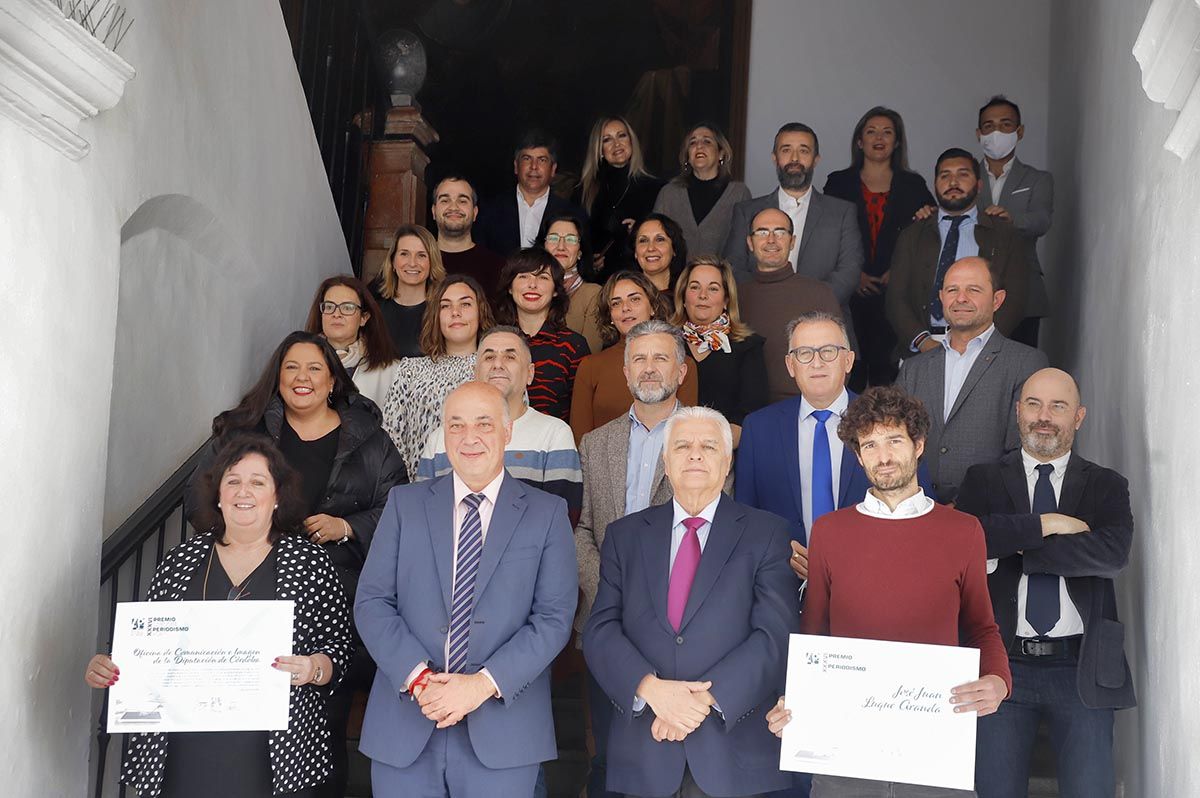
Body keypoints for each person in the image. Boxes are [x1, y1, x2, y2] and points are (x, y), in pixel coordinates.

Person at [184, 331, 406, 798]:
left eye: (314, 369)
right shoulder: (246, 432)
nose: (301, 378)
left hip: (336, 599)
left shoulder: (371, 440)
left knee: (321, 728)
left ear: (332, 382)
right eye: (291, 368)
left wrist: (347, 527)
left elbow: (400, 510)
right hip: (248, 597)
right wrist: (252, 537)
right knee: (243, 732)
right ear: (277, 378)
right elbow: (198, 498)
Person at [766, 386, 1012, 798]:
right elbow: (813, 634)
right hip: (843, 751)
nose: (883, 456)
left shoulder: (963, 530)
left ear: (918, 445)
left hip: (934, 749)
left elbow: (981, 626)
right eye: (870, 445)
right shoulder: (830, 531)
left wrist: (1000, 681)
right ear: (858, 456)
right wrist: (792, 697)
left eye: (894, 441)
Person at [88, 433, 353, 798]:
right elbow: (145, 646)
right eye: (233, 482)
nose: (244, 492)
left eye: (257, 483)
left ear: (277, 496)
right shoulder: (181, 561)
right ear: (218, 494)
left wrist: (314, 668)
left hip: (276, 753)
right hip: (185, 747)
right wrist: (112, 666)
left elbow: (340, 648)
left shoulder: (309, 563)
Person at [355, 382, 578, 798]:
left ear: (508, 431)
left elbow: (553, 619)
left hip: (502, 728)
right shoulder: (405, 504)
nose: (469, 437)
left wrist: (479, 686)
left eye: (483, 423)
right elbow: (372, 602)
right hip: (408, 720)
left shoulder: (546, 513)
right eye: (456, 425)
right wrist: (420, 680)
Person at [583, 405, 800, 798]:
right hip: (645, 752)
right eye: (682, 446)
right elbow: (601, 630)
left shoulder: (767, 533)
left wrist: (701, 701)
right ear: (666, 463)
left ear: (728, 462)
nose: (695, 454)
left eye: (708, 446)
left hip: (734, 754)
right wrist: (651, 689)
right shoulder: (625, 536)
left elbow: (774, 636)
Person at [956, 368, 1134, 798]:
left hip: (1080, 665)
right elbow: (970, 541)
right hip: (1001, 664)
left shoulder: (1106, 485)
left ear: (1079, 416)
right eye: (1034, 404)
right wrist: (1049, 525)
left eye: (1059, 406)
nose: (1044, 416)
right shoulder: (983, 480)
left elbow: (1111, 554)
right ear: (1018, 412)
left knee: (1090, 791)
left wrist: (1021, 548)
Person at [573, 321, 690, 798]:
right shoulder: (595, 443)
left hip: (680, 626)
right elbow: (581, 530)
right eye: (639, 359)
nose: (649, 368)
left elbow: (714, 532)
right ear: (624, 371)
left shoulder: (705, 437)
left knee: (672, 756)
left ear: (681, 371)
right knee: (606, 754)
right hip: (605, 623)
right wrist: (615, 595)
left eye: (661, 358)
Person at [896, 257, 1047, 503]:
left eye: (973, 290)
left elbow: (1024, 450)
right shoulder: (914, 369)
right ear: (942, 298)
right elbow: (894, 440)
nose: (961, 298)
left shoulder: (1026, 363)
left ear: (997, 300)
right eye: (952, 290)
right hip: (916, 512)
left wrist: (968, 505)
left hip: (987, 517)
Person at [417, 325, 583, 523]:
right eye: (488, 357)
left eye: (510, 357)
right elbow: (424, 516)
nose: (497, 364)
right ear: (475, 372)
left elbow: (561, 522)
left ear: (530, 373)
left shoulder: (554, 435)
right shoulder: (440, 439)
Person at [823, 107, 934, 389]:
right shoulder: (838, 182)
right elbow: (827, 235)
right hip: (850, 296)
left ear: (897, 142)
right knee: (850, 374)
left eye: (887, 132)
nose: (879, 138)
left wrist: (898, 272)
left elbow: (929, 234)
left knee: (890, 380)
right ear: (859, 141)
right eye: (871, 132)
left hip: (897, 294)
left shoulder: (913, 184)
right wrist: (853, 275)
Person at [886, 148, 1029, 361]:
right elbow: (896, 298)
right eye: (945, 176)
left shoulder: (1003, 234)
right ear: (935, 184)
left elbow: (1015, 297)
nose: (953, 182)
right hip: (922, 349)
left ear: (979, 185)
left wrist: (981, 342)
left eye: (963, 174)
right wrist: (923, 342)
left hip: (985, 351)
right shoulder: (913, 233)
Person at [723, 122, 863, 314]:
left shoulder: (842, 212)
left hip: (825, 323)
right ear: (775, 158)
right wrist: (773, 303)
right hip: (760, 319)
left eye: (804, 151)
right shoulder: (746, 211)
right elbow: (733, 267)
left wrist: (805, 308)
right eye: (786, 150)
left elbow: (849, 272)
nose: (795, 158)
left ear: (816, 159)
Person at [380, 274, 496, 479]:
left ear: (481, 312)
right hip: (420, 492)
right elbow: (392, 438)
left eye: (466, 304)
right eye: (445, 306)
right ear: (436, 315)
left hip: (484, 490)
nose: (456, 312)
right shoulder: (410, 370)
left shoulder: (497, 369)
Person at [569, 271, 699, 444]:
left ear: (653, 307)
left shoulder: (682, 364)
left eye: (635, 299)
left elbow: (686, 436)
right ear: (610, 316)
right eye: (616, 303)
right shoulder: (590, 366)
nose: (625, 308)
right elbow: (580, 441)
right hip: (602, 467)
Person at [735, 207, 843, 402]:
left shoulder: (820, 293)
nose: (771, 240)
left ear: (792, 241)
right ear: (750, 243)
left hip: (804, 409)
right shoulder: (736, 296)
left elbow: (839, 362)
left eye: (780, 232)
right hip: (746, 413)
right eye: (762, 232)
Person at [975, 95, 1054, 348]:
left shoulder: (1037, 178)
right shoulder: (963, 178)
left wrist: (1013, 219)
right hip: (974, 287)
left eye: (1005, 125)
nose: (996, 132)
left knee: (1023, 370)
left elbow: (1042, 221)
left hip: (1025, 290)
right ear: (978, 134)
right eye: (989, 126)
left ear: (1019, 132)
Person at [669, 255, 767, 444]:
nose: (702, 295)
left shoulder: (748, 346)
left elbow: (749, 415)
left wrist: (706, 450)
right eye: (695, 287)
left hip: (725, 453)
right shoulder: (667, 343)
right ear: (682, 297)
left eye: (713, 288)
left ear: (726, 300)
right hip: (669, 451)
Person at [493, 248, 590, 421]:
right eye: (523, 276)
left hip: (552, 444)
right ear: (509, 286)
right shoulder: (492, 341)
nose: (532, 284)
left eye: (543, 277)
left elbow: (580, 412)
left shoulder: (573, 345)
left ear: (555, 290)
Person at [476, 129, 588, 258]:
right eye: (527, 158)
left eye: (542, 160)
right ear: (516, 166)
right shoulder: (490, 210)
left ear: (553, 169)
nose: (534, 166)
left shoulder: (573, 214)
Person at [577, 115, 664, 280]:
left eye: (622, 135)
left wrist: (641, 231)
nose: (617, 144)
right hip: (598, 286)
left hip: (642, 281)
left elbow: (669, 241)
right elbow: (576, 241)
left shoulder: (657, 189)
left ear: (632, 141)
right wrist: (588, 262)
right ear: (599, 149)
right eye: (607, 139)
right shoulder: (584, 192)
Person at [652, 122, 751, 258]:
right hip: (678, 278)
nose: (699, 146)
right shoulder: (668, 193)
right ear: (687, 156)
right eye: (692, 143)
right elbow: (656, 241)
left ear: (721, 154)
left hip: (723, 278)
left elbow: (745, 248)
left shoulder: (739, 193)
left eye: (707, 141)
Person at [304, 275, 396, 381]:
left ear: (364, 318)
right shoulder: (299, 359)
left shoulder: (388, 369)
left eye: (348, 308)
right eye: (329, 307)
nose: (336, 314)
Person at [374, 223, 447, 357]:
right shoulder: (376, 312)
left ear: (432, 263)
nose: (412, 263)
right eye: (404, 254)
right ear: (393, 262)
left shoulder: (443, 312)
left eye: (421, 255)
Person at [538, 212, 604, 354]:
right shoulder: (528, 287)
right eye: (553, 238)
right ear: (543, 246)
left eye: (571, 239)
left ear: (580, 251)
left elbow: (589, 352)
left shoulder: (593, 293)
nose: (561, 246)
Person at [431, 175, 507, 294]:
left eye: (462, 201)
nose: (454, 207)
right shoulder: (417, 264)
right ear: (434, 211)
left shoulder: (498, 267)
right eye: (445, 200)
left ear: (475, 213)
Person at [631, 212, 688, 315]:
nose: (651, 248)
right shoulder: (624, 297)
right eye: (643, 241)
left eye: (660, 239)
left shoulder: (688, 297)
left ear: (674, 249)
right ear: (635, 252)